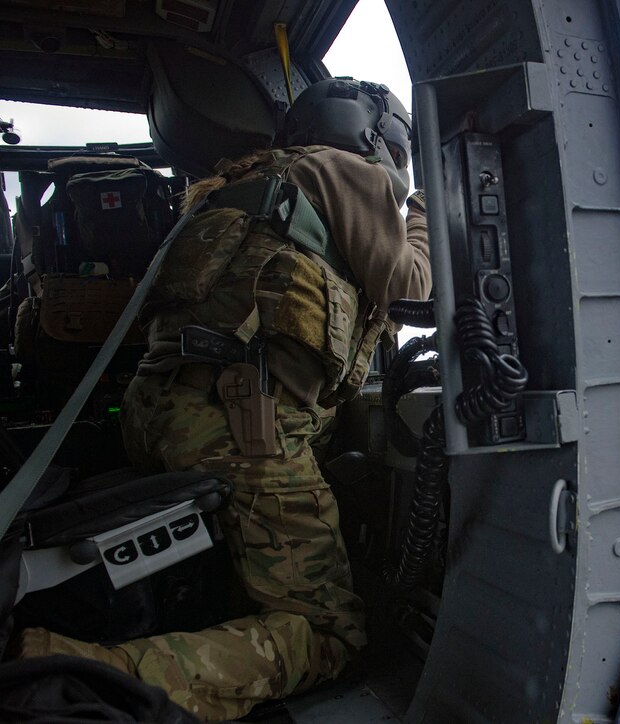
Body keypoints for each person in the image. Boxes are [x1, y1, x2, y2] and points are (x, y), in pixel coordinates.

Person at [15, 77, 431, 720]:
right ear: (381, 140)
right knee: (331, 634)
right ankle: (66, 677)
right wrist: (424, 217)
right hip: (239, 429)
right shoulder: (352, 175)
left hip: (156, 415)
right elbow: (413, 289)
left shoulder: (228, 186)